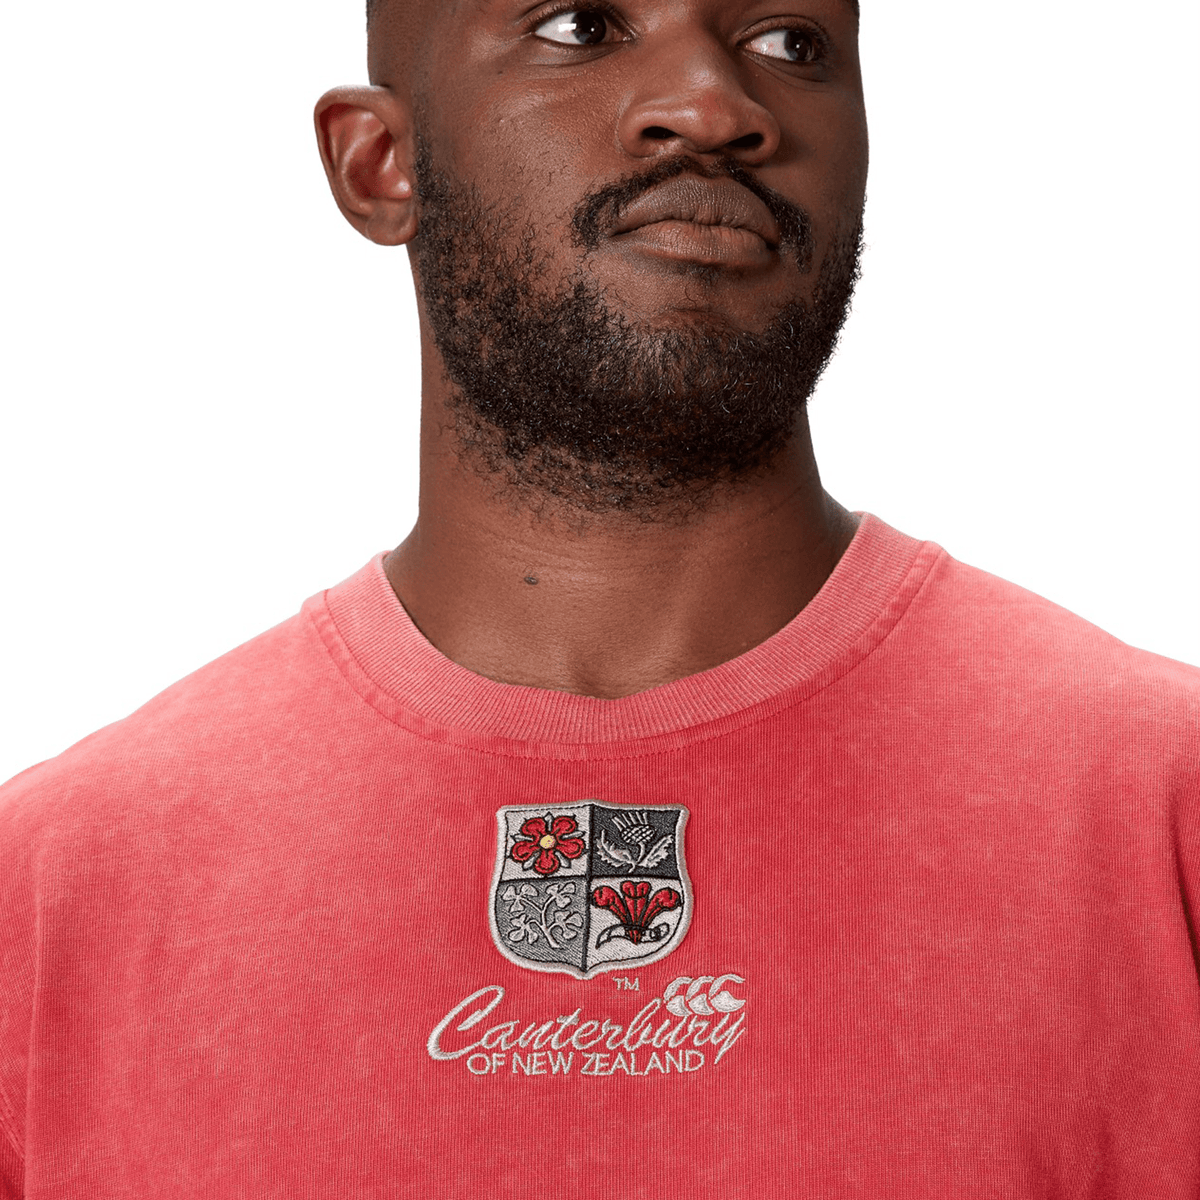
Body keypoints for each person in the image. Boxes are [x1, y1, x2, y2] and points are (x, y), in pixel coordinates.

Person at [0, 0, 1196, 1195]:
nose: (715, 109)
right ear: (379, 163)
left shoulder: (1163, 815)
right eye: (580, 26)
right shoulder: (55, 893)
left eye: (790, 43)